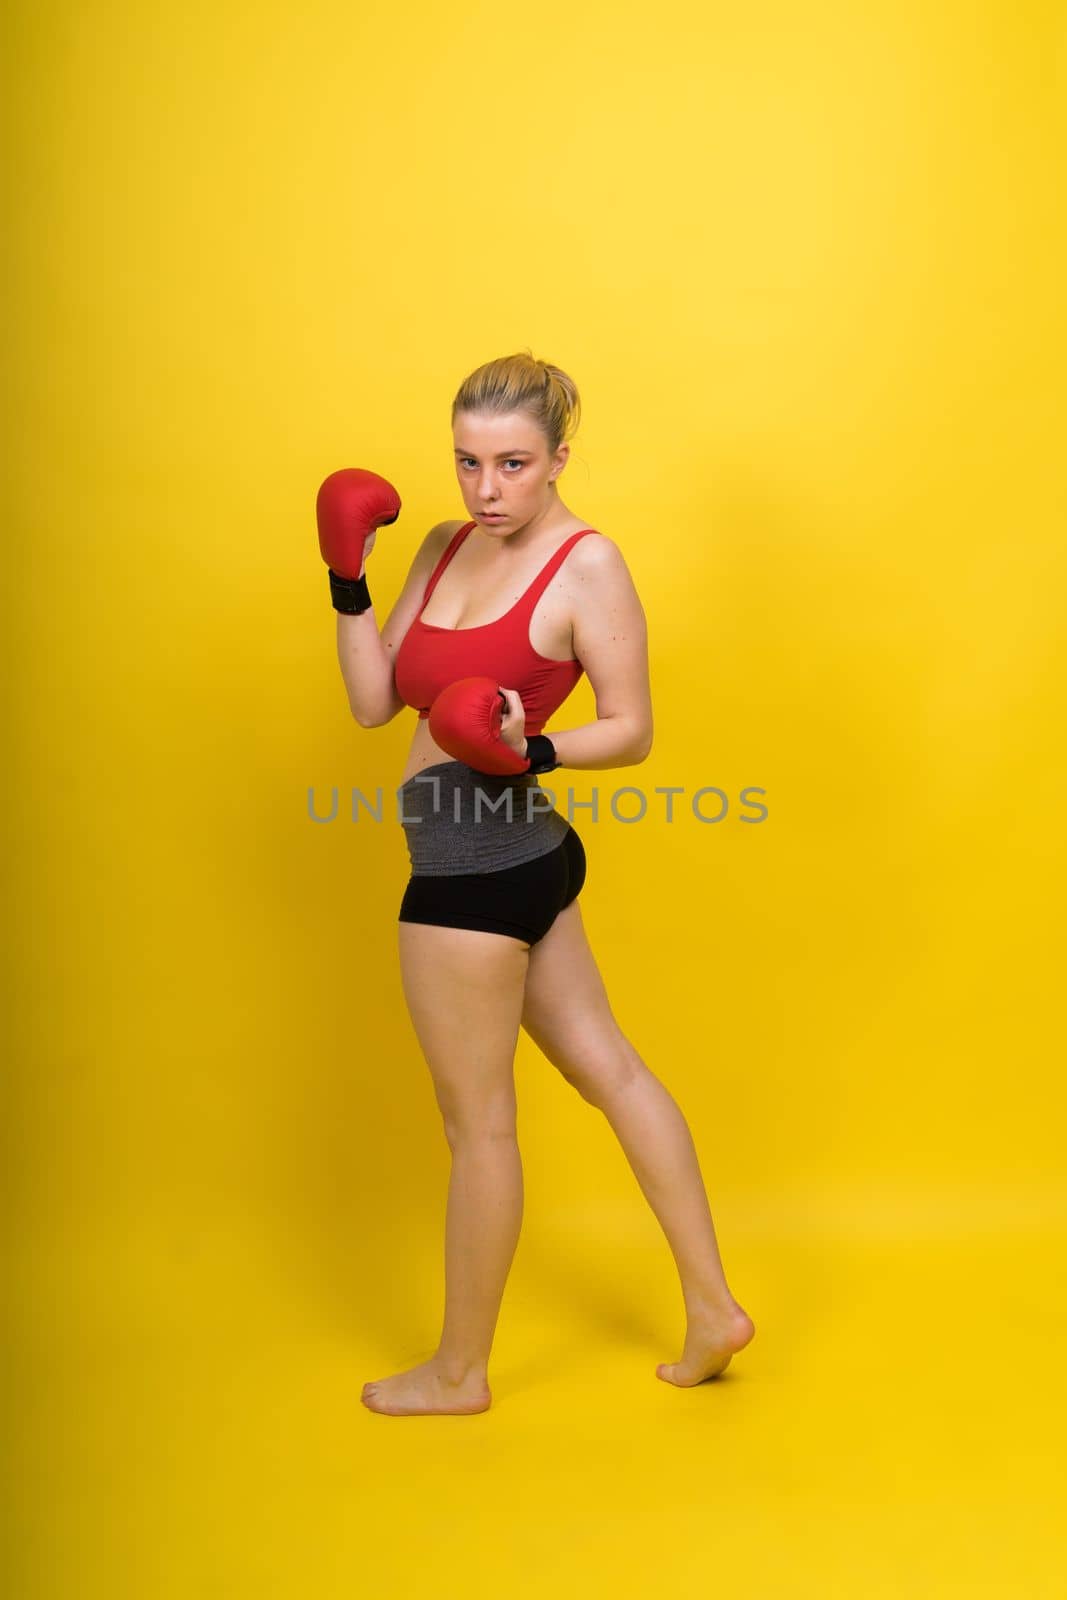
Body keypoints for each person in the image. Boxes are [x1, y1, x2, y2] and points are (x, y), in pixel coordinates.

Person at [317, 351, 754, 1417]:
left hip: (472, 878)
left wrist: (532, 747)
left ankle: (458, 1373)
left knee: (481, 1130)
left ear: (559, 458)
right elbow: (376, 703)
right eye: (467, 462)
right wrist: (345, 577)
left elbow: (634, 729)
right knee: (608, 1068)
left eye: (512, 463)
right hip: (522, 864)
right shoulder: (441, 541)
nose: (486, 488)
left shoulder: (586, 565)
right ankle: (711, 1310)